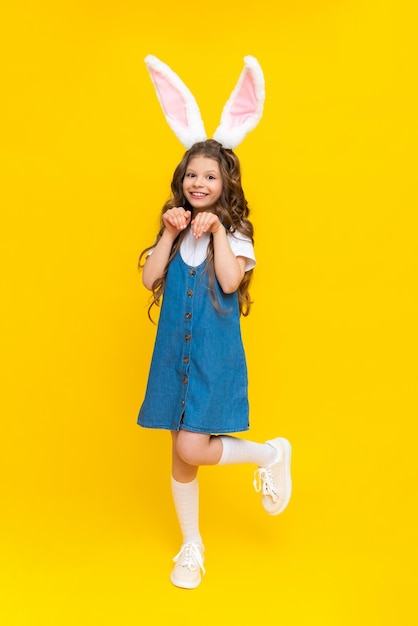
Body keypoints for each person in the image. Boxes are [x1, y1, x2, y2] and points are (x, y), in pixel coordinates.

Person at [137, 139, 292, 589]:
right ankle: (192, 547)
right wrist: (168, 232)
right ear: (181, 182)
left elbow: (228, 280)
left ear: (225, 184)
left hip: (213, 358)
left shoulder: (236, 231)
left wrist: (219, 233)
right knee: (181, 456)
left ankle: (270, 454)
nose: (199, 183)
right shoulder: (177, 228)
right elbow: (150, 279)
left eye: (209, 176)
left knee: (192, 447)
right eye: (192, 175)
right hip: (173, 358)